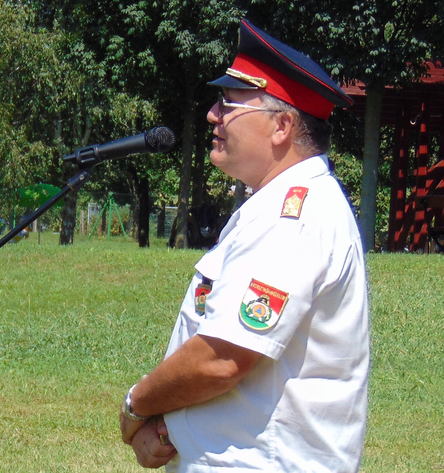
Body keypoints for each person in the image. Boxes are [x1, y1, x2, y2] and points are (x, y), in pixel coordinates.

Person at [119, 19, 369, 472]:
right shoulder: (280, 205)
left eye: (229, 103)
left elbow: (222, 360)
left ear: (282, 126)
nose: (213, 114)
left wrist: (137, 406)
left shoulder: (292, 217)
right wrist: (169, 422)